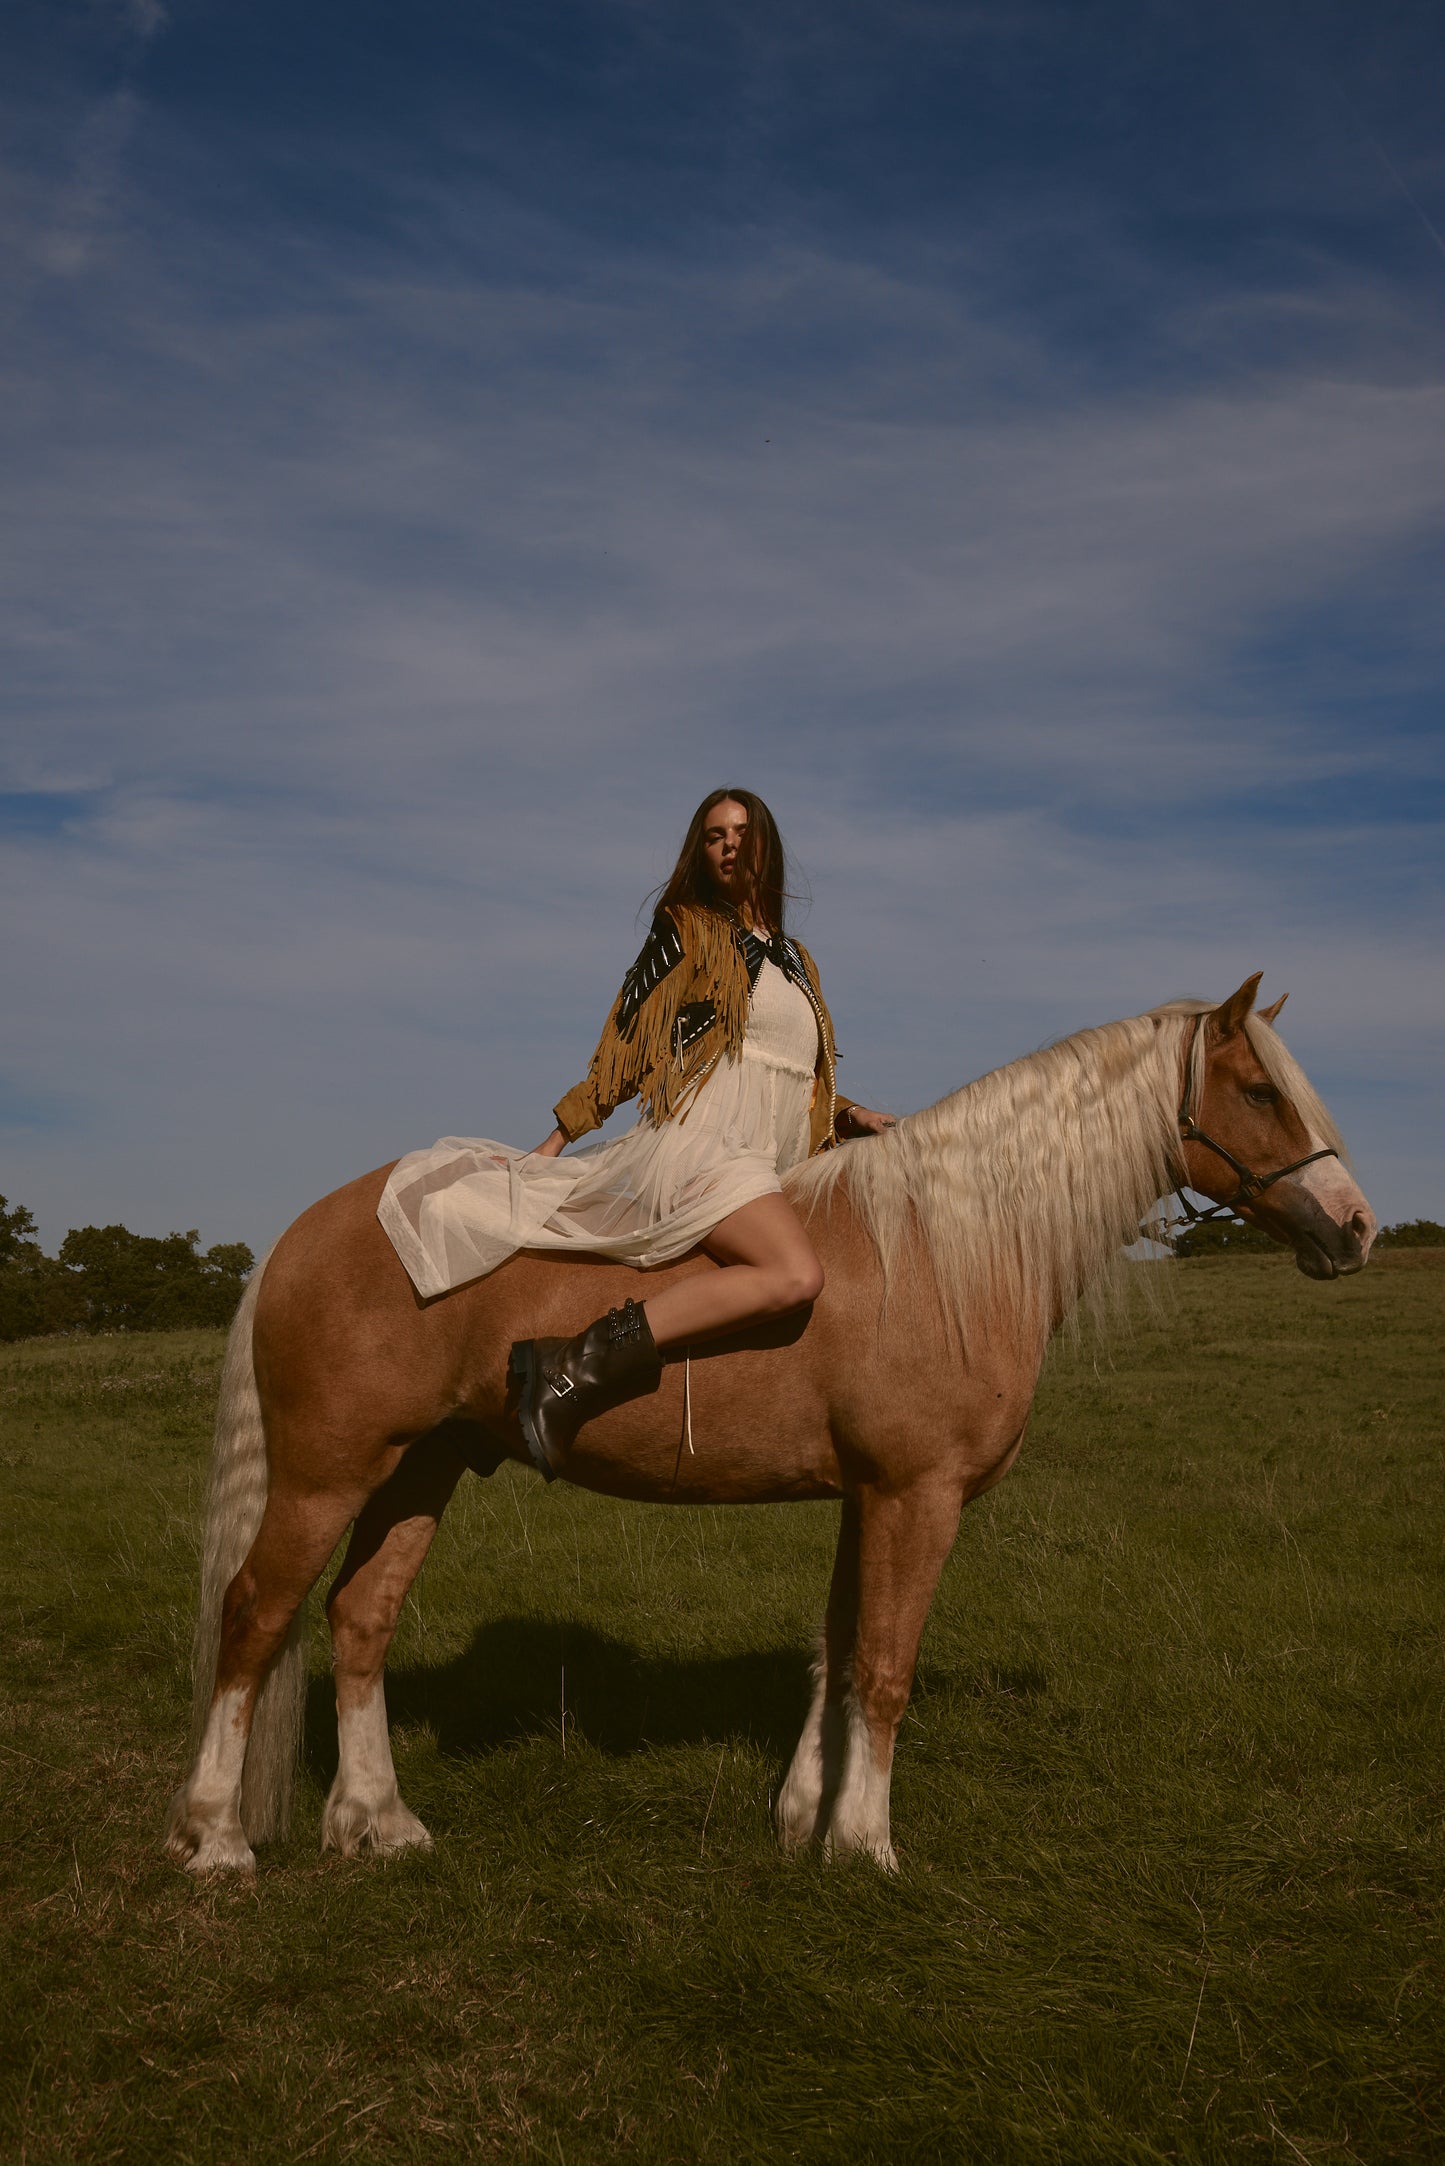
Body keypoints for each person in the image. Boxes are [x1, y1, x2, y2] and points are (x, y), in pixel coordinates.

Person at [377, 789, 895, 1477]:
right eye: (714, 835)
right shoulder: (687, 928)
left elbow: (789, 1071)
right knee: (794, 1274)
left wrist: (847, 1113)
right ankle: (567, 1367)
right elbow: (630, 1038)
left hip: (774, 1157)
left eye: (742, 832)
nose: (729, 844)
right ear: (700, 851)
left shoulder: (797, 959)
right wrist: (562, 1132)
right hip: (704, 1142)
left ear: (766, 845)